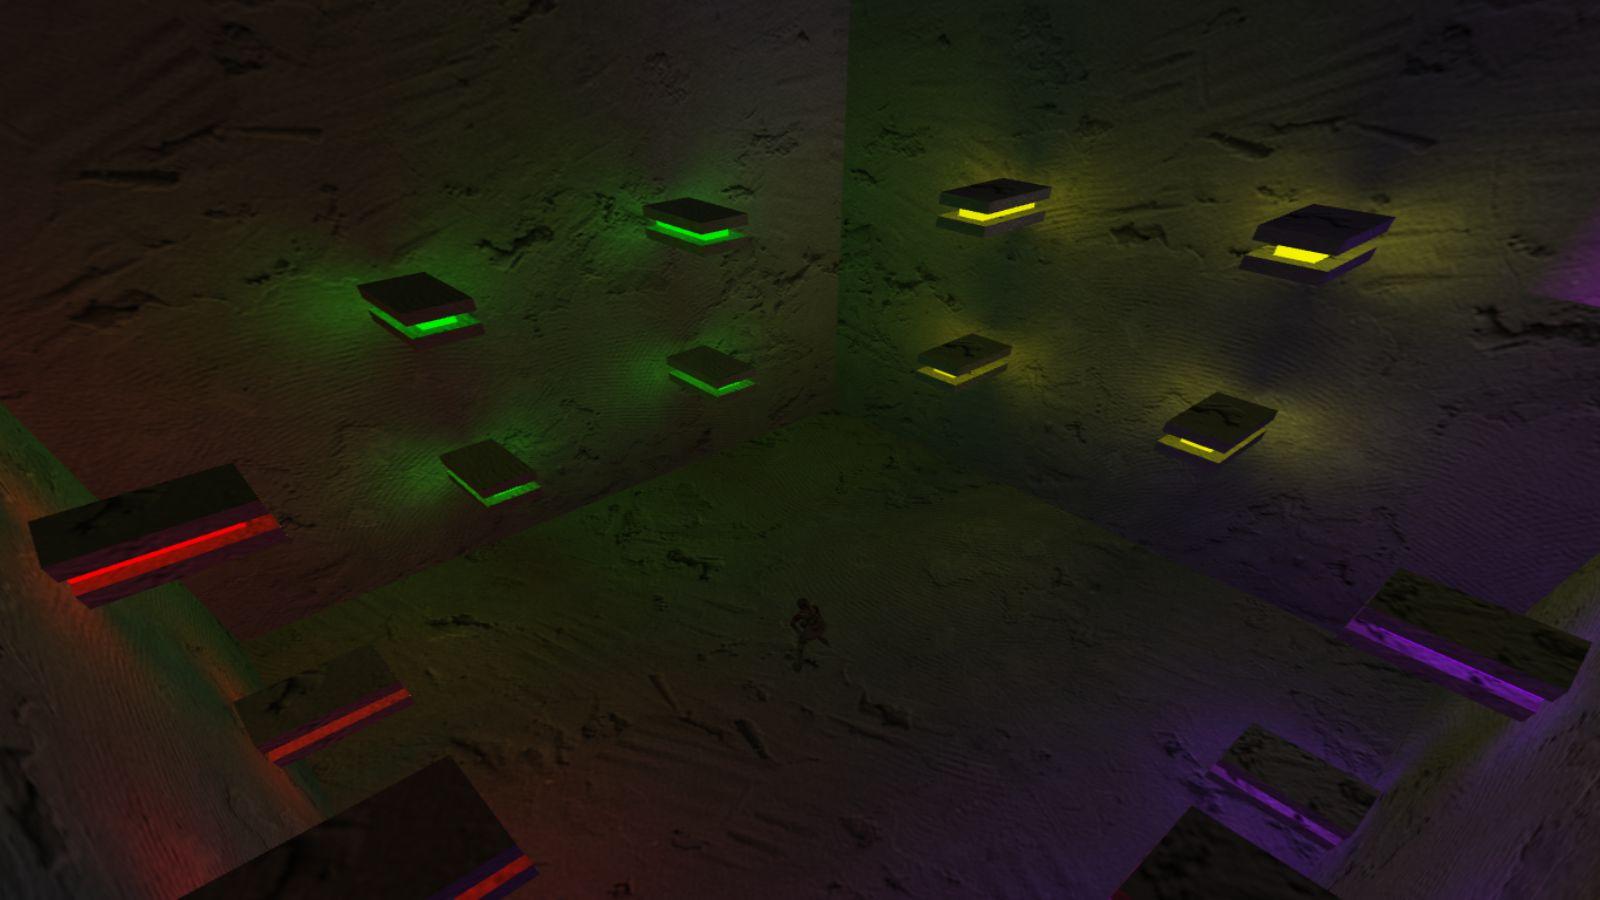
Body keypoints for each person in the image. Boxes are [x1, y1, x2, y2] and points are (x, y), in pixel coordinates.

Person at [790, 598, 828, 670]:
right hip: (820, 627)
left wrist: (799, 632)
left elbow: (792, 623)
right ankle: (819, 637)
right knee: (804, 625)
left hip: (814, 629)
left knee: (800, 644)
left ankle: (798, 664)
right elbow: (819, 617)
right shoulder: (814, 608)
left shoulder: (801, 614)